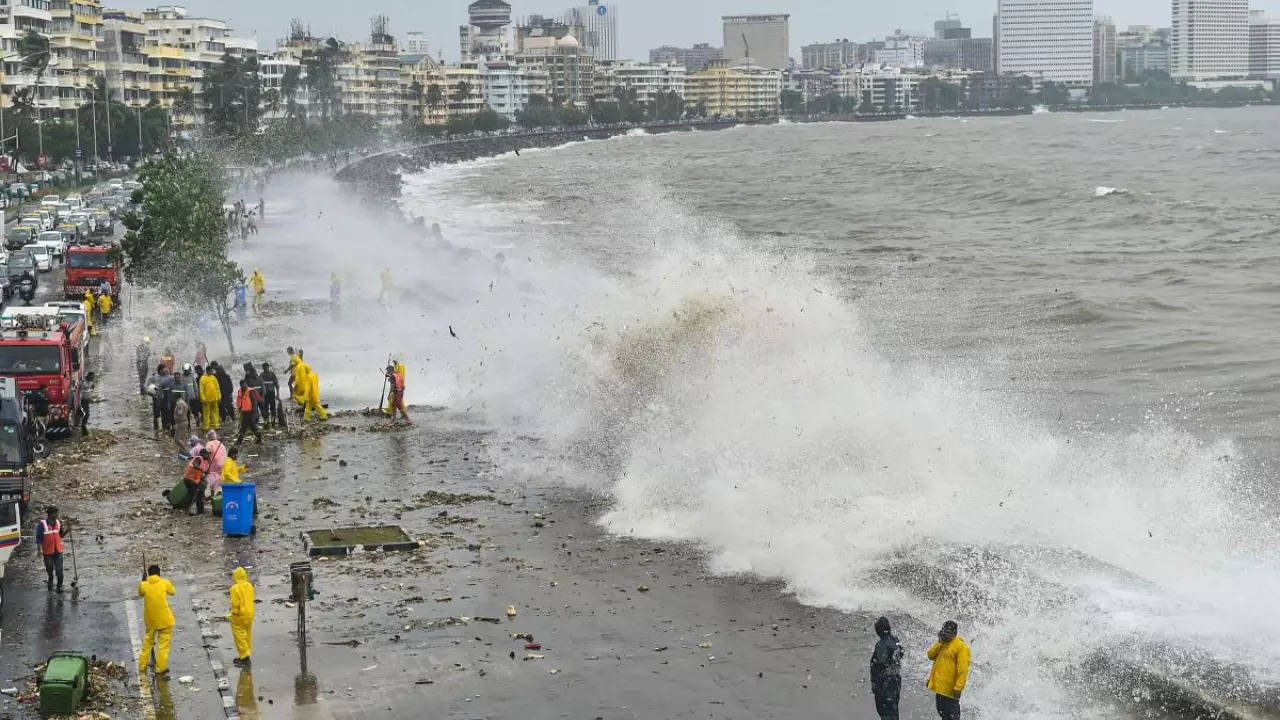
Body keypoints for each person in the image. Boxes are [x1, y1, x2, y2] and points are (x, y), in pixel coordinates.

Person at [137, 565, 177, 676]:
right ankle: (160, 668)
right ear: (159, 573)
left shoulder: (143, 585)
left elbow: (140, 593)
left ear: (148, 574)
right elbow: (173, 592)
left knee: (147, 643)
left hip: (151, 621)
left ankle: (141, 666)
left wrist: (143, 580)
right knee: (163, 645)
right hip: (165, 620)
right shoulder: (165, 582)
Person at [926, 620, 970, 720]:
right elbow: (930, 655)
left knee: (952, 717)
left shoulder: (961, 647)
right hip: (940, 690)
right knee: (943, 715)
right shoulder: (943, 644)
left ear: (955, 633)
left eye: (948, 632)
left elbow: (963, 670)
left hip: (951, 692)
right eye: (943, 631)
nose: (945, 634)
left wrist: (958, 688)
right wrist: (940, 642)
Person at [870, 616, 904, 720]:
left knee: (885, 713)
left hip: (885, 682)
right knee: (893, 711)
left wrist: (875, 683)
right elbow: (900, 654)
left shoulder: (881, 644)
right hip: (896, 680)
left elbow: (882, 662)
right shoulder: (895, 640)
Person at [35, 507, 69, 592]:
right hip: (48, 552)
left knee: (59, 570)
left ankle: (59, 585)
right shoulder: (42, 525)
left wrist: (67, 530)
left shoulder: (58, 523)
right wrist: (39, 551)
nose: (57, 515)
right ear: (50, 514)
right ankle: (50, 578)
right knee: (49, 569)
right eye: (55, 513)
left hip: (58, 551)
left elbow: (61, 535)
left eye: (57, 513)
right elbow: (38, 539)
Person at [229, 567, 255, 666]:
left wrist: (234, 613)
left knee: (239, 636)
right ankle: (247, 653)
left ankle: (244, 657)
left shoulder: (235, 588)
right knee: (247, 635)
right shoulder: (249, 586)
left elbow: (235, 603)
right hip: (250, 614)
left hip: (240, 615)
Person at [291, 355, 327, 421]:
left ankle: (323, 415)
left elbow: (308, 387)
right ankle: (306, 418)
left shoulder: (309, 377)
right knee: (308, 406)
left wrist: (305, 395)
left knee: (316, 405)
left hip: (311, 394)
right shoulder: (315, 374)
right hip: (315, 392)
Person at [234, 379, 263, 444]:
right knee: (250, 426)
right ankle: (259, 438)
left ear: (246, 384)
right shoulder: (240, 391)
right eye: (242, 384)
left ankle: (240, 440)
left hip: (251, 411)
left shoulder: (250, 392)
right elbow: (239, 400)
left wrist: (254, 412)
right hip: (244, 411)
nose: (243, 386)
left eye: (244, 384)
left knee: (245, 426)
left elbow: (254, 402)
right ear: (240, 385)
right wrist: (239, 408)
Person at [182, 449, 210, 515]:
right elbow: (195, 465)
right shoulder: (199, 458)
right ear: (203, 454)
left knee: (200, 492)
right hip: (190, 479)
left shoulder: (202, 461)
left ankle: (200, 510)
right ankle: (187, 510)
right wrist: (203, 471)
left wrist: (203, 476)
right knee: (192, 495)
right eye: (207, 454)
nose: (208, 456)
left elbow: (198, 472)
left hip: (193, 480)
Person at [203, 430, 228, 499]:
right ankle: (219, 491)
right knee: (219, 478)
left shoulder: (209, 443)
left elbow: (207, 451)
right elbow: (225, 452)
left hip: (214, 464)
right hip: (222, 463)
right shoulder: (220, 443)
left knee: (212, 478)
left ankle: (212, 494)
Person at [198, 367, 221, 431]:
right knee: (206, 413)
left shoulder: (213, 378)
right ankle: (206, 426)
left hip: (214, 399)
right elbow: (201, 390)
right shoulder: (203, 378)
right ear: (207, 370)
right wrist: (203, 399)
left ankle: (216, 425)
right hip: (207, 400)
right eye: (211, 370)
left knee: (215, 412)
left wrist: (219, 397)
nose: (212, 372)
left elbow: (217, 388)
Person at [259, 362, 280, 428]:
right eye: (264, 368)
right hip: (265, 394)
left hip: (271, 393)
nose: (266, 369)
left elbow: (276, 385)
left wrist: (278, 394)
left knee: (273, 409)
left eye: (267, 367)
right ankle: (266, 423)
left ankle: (273, 422)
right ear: (263, 368)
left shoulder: (272, 374)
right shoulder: (261, 375)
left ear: (268, 367)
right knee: (265, 409)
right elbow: (260, 386)